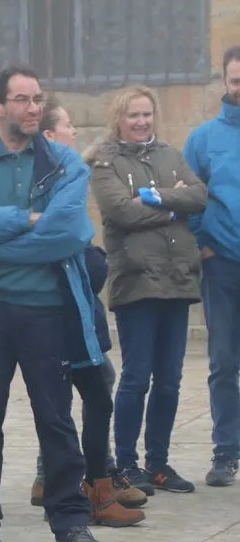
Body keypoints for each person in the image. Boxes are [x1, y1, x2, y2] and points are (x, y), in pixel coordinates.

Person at [0, 65, 103, 542]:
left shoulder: (66, 165)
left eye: (38, 99)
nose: (34, 108)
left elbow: (67, 233)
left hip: (47, 312)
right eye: (22, 100)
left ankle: (70, 522)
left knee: (55, 419)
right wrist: (27, 219)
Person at [86, 85, 207, 496]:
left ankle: (158, 463)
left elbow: (199, 195)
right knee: (136, 376)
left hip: (177, 278)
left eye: (146, 114)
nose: (141, 122)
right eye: (133, 115)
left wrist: (155, 197)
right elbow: (121, 211)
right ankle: (127, 463)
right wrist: (173, 207)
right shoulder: (105, 161)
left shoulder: (170, 154)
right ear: (119, 119)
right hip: (137, 280)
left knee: (170, 379)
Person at [32, 97, 146, 526]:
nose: (74, 131)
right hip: (59, 317)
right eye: (67, 125)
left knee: (93, 395)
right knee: (76, 402)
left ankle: (87, 483)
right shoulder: (49, 185)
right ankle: (79, 488)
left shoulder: (68, 176)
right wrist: (96, 261)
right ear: (49, 135)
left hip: (79, 313)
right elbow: (67, 250)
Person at [183, 45, 240, 488]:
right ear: (224, 81)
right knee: (223, 362)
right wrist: (202, 244)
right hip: (222, 266)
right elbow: (187, 195)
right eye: (236, 80)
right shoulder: (203, 139)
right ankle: (226, 452)